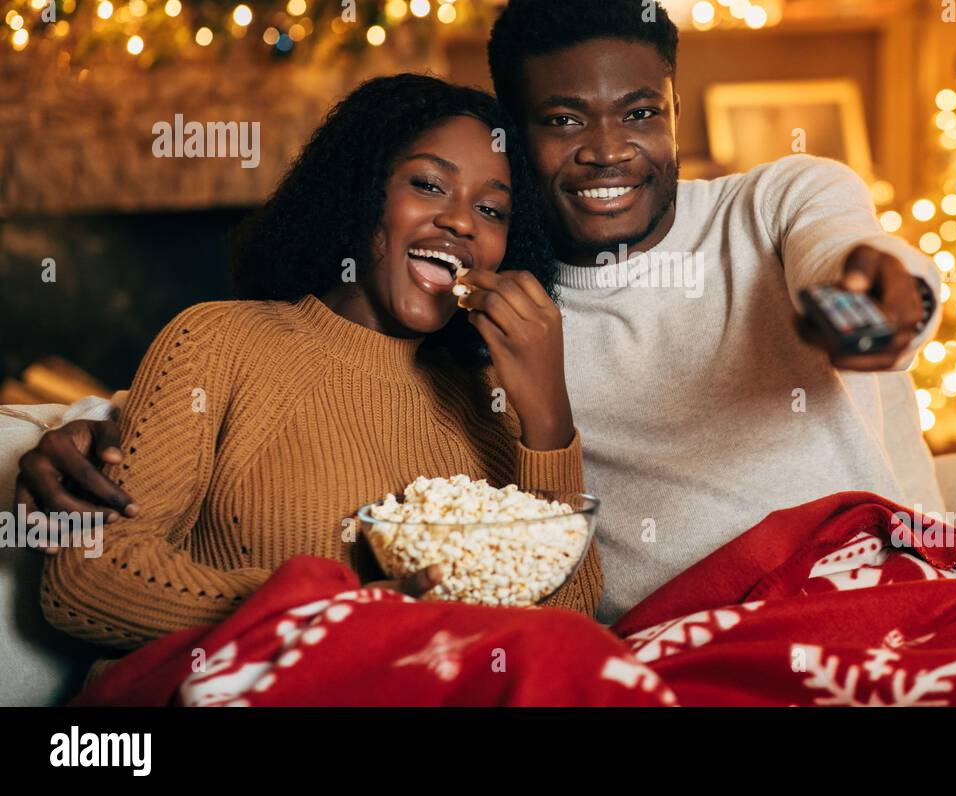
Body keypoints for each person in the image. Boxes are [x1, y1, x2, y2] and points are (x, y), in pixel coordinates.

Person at [20, 0, 941, 625]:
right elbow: (238, 400)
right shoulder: (448, 326)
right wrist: (65, 429)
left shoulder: (764, 210)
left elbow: (849, 254)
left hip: (873, 592)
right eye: (564, 120)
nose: (609, 150)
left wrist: (876, 307)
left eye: (641, 112)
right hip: (664, 653)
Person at [37, 74, 602, 651]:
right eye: (429, 185)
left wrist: (548, 415)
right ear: (360, 190)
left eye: (491, 209)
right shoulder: (217, 342)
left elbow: (568, 624)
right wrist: (335, 616)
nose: (462, 222)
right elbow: (87, 576)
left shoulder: (491, 396)